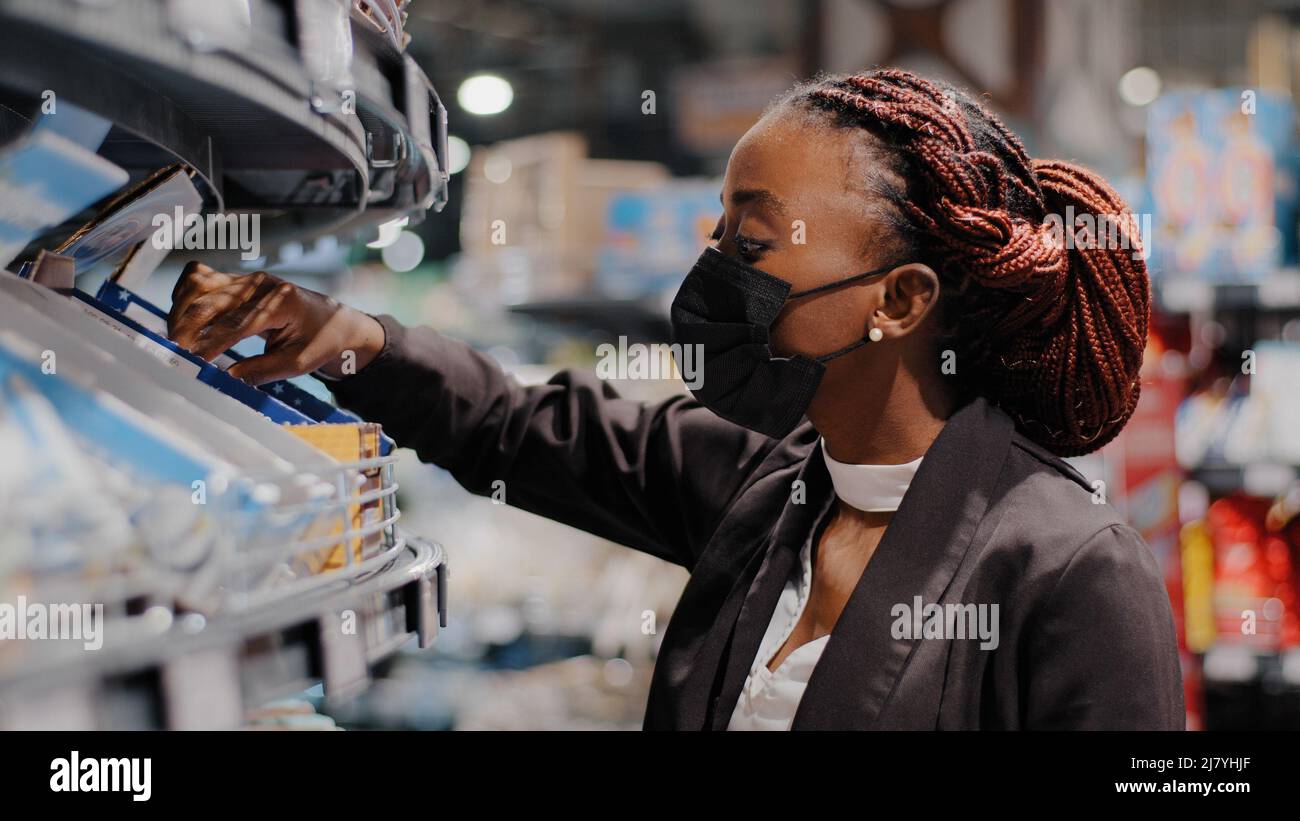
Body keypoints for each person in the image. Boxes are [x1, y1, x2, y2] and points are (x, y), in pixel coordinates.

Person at [167, 69, 1183, 730]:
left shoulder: (1068, 566)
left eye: (749, 243)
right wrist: (345, 340)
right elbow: (518, 426)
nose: (709, 275)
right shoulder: (768, 482)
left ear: (901, 300)